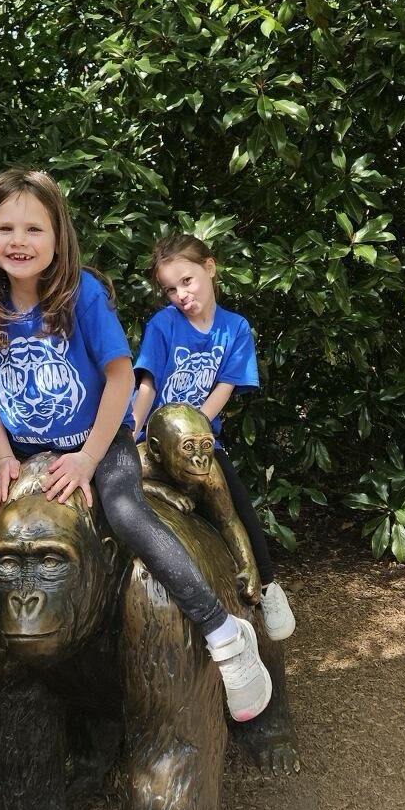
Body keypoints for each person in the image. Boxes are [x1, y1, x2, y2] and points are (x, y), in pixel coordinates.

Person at [0, 170, 272, 721]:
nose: (19, 241)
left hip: (97, 438)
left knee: (128, 515)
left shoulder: (80, 293)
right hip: (19, 445)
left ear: (58, 235)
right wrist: (2, 460)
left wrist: (90, 457)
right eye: (5, 228)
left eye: (33, 228)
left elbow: (119, 379)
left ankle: (223, 632)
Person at [132, 234, 296, 642]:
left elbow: (225, 385)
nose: (180, 295)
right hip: (154, 440)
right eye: (170, 289)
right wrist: (129, 429)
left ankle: (270, 586)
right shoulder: (162, 325)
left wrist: (196, 425)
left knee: (235, 505)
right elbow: (147, 386)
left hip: (200, 442)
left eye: (186, 281)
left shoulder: (234, 328)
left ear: (209, 267)